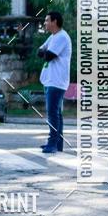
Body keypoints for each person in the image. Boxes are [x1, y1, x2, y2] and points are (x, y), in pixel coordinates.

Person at [37, 11, 72, 153]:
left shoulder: (62, 37)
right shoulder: (53, 37)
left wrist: (45, 52)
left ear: (54, 21)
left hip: (57, 81)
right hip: (50, 80)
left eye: (47, 20)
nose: (45, 23)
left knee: (52, 113)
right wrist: (44, 52)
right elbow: (39, 51)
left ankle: (52, 143)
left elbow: (48, 56)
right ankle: (58, 144)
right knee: (56, 113)